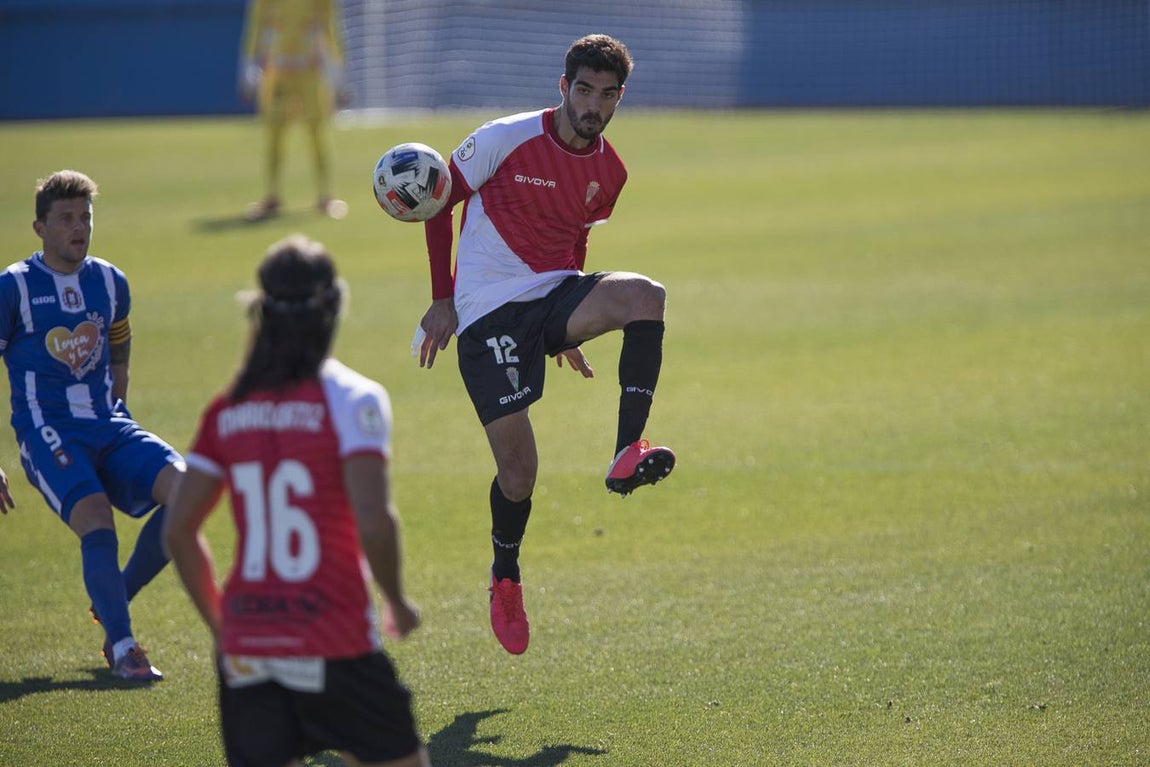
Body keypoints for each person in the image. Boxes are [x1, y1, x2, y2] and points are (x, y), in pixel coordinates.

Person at [414, 34, 675, 656]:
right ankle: (505, 577)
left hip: (553, 296)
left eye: (607, 95)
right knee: (520, 472)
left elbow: (576, 238)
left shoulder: (611, 172)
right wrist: (443, 297)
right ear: (563, 87)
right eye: (584, 90)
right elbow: (436, 202)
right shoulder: (505, 136)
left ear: (619, 99)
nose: (594, 105)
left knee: (646, 296)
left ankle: (626, 450)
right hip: (485, 312)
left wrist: (572, 322)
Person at [164, 234, 429, 767]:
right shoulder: (352, 398)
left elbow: (178, 531)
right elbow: (373, 522)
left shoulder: (228, 407)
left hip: (248, 647)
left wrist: (225, 628)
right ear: (332, 306)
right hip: (334, 641)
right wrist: (397, 601)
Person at [0, 170, 184, 681]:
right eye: (65, 219)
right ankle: (124, 647)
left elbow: (119, 342)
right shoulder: (13, 287)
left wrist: (119, 403)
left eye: (85, 217)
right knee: (96, 520)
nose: (79, 228)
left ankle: (114, 599)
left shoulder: (109, 280)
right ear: (40, 227)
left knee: (189, 493)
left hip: (109, 424)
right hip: (47, 430)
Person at [239, 0, 350, 222]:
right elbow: (255, 28)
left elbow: (330, 28)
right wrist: (248, 69)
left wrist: (338, 77)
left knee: (317, 134)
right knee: (274, 136)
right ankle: (272, 196)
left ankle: (325, 196)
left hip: (310, 72)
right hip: (278, 73)